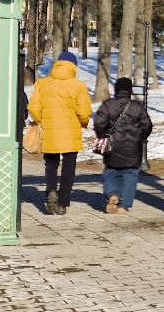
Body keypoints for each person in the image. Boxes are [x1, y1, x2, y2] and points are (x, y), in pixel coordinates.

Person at [28, 51, 92, 216]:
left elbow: (34, 108)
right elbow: (84, 111)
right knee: (68, 167)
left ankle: (51, 190)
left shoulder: (42, 83)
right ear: (73, 66)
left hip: (50, 131)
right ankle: (63, 203)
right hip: (71, 132)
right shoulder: (79, 86)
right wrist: (83, 123)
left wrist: (40, 120)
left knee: (51, 164)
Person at [92, 77, 153, 214]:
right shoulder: (137, 106)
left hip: (112, 146)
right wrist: (141, 137)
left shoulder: (108, 104)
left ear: (116, 89)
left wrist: (103, 136)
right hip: (133, 147)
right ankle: (123, 205)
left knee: (111, 171)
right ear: (130, 90)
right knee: (130, 174)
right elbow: (147, 125)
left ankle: (112, 194)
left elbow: (99, 123)